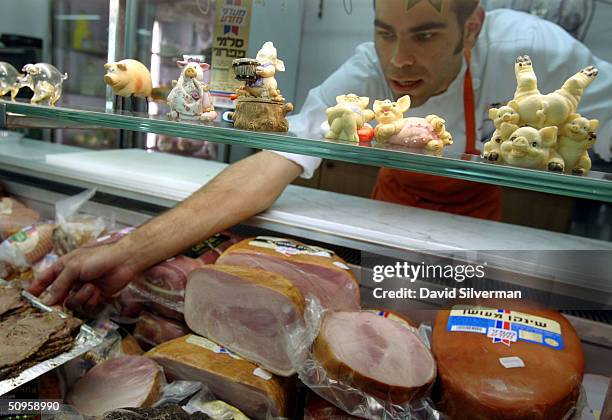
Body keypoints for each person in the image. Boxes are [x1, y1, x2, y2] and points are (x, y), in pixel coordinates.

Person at [29, 0, 612, 313]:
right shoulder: (365, 69)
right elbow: (269, 164)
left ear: (473, 25)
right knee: (395, 307)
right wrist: (132, 253)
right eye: (386, 33)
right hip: (393, 228)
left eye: (426, 36)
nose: (399, 60)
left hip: (490, 237)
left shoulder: (530, 52)